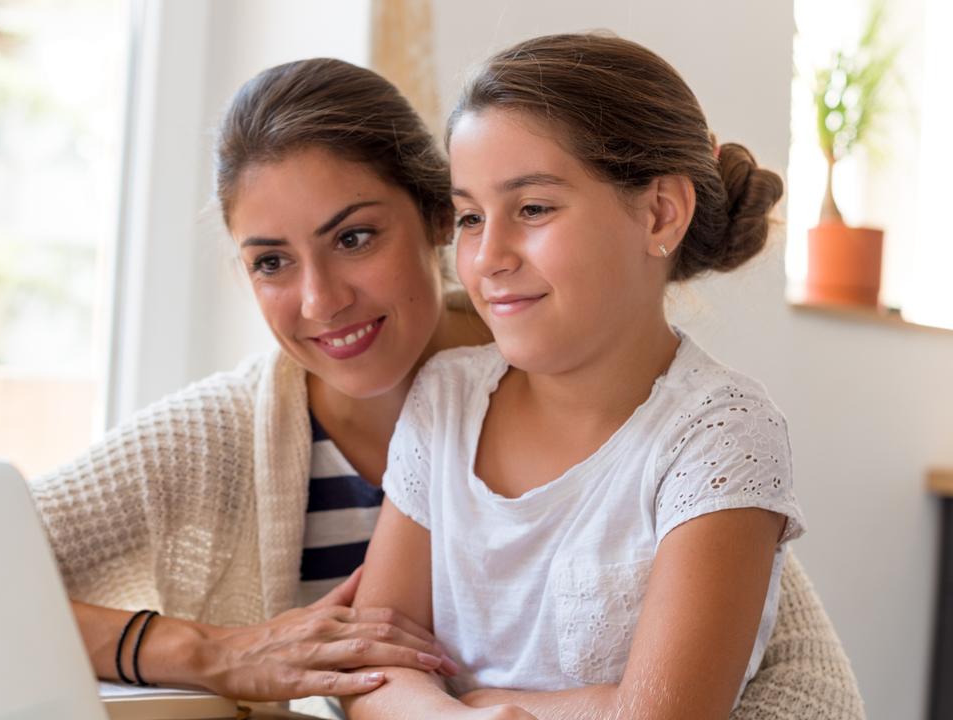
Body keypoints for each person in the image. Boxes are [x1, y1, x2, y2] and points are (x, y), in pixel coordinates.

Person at [344, 33, 804, 720]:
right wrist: (465, 718)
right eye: (470, 217)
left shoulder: (720, 436)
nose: (488, 257)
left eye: (532, 209)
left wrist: (493, 699)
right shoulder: (445, 398)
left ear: (660, 214)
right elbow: (370, 670)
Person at [30, 57, 488, 702]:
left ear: (441, 213)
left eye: (354, 238)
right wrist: (211, 652)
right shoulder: (214, 437)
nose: (320, 301)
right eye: (272, 261)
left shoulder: (568, 374)